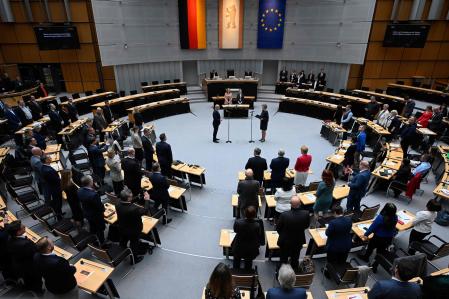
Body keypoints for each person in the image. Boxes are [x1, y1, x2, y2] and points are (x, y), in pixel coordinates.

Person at [358, 203, 398, 272]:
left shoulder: (381, 217)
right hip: (388, 238)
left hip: (378, 237)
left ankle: (366, 257)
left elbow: (373, 227)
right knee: (380, 252)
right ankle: (375, 266)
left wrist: (366, 234)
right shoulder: (395, 217)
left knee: (370, 247)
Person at [7, 220, 42, 293]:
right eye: (23, 227)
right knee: (37, 283)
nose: (25, 226)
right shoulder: (25, 244)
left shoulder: (10, 238)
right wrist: (31, 242)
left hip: (20, 266)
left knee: (30, 283)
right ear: (18, 232)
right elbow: (36, 250)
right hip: (30, 268)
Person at [116, 188, 151, 263]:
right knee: (134, 244)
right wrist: (147, 200)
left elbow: (127, 202)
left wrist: (137, 197)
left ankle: (121, 255)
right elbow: (145, 211)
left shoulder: (117, 203)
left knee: (123, 242)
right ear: (128, 198)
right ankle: (134, 259)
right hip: (133, 230)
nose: (132, 198)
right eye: (131, 197)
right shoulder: (133, 209)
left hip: (122, 227)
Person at [276, 196, 310, 269]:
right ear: (300, 203)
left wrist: (283, 234)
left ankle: (282, 273)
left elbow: (278, 228)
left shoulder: (284, 215)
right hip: (298, 240)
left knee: (283, 259)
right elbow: (306, 226)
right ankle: (294, 271)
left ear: (290, 204)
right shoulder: (306, 214)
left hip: (285, 241)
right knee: (295, 258)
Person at [78, 175, 106, 244]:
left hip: (87, 213)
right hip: (96, 216)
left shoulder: (79, 190)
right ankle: (102, 243)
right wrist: (103, 209)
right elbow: (100, 207)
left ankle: (94, 240)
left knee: (92, 227)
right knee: (100, 230)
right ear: (90, 183)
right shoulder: (94, 195)